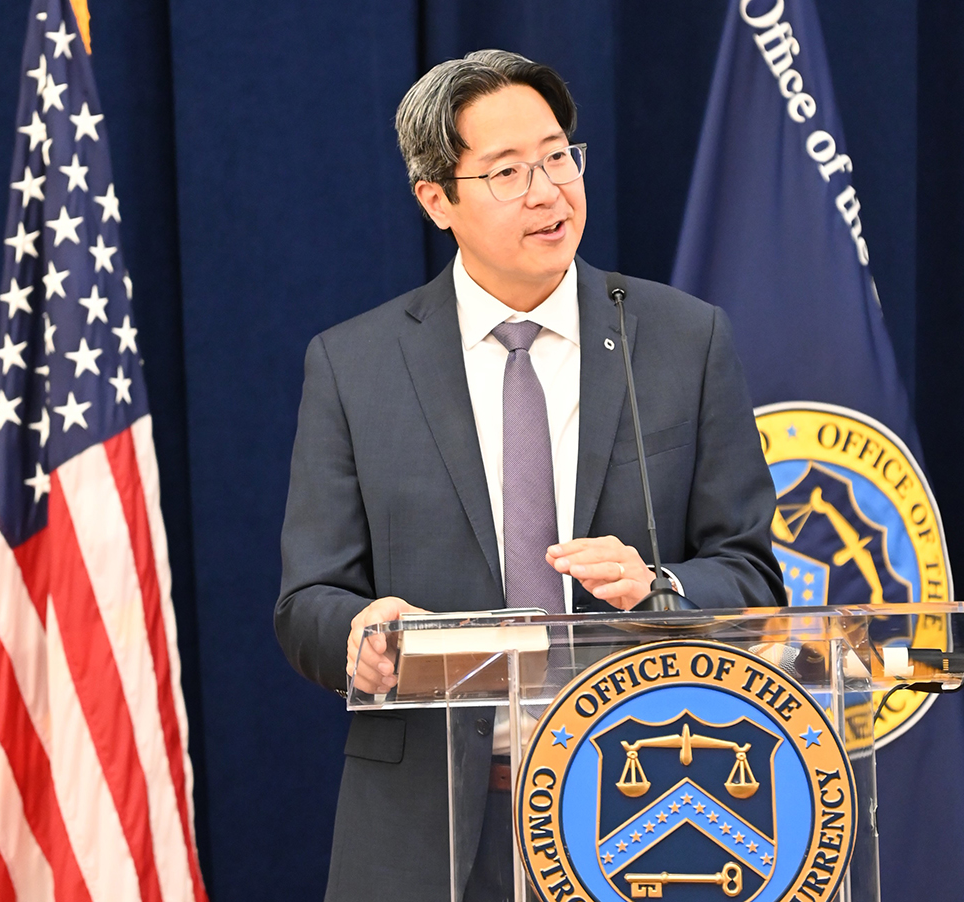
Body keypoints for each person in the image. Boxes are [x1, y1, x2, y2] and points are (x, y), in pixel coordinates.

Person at [275, 49, 785, 902]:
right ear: (437, 200)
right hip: (427, 825)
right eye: (508, 171)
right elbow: (307, 605)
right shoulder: (354, 365)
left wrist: (658, 584)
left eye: (557, 156)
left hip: (646, 802)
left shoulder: (683, 340)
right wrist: (363, 636)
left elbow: (751, 574)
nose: (549, 190)